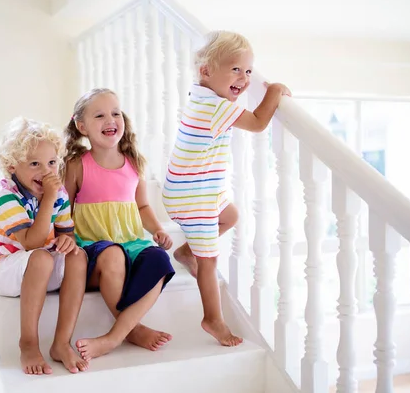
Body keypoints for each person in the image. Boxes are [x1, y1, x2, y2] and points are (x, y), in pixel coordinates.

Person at [163, 30, 291, 347]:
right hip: (194, 195)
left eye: (248, 71)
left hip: (193, 187)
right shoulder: (217, 108)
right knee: (210, 262)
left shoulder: (202, 96)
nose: (244, 79)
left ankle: (186, 251)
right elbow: (260, 122)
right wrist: (274, 90)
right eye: (235, 69)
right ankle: (213, 319)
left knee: (231, 215)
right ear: (206, 71)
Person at [64, 88, 176, 361]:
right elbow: (63, 209)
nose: (110, 119)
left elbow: (143, 206)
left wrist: (157, 229)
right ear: (82, 127)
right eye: (99, 115)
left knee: (160, 260)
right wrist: (62, 238)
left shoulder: (134, 164)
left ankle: (116, 335)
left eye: (115, 113)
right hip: (94, 249)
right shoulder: (78, 165)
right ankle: (131, 331)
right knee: (113, 254)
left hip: (130, 244)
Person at [0, 117, 88, 375]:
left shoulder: (57, 192)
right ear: (11, 166)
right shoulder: (6, 194)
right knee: (41, 257)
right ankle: (28, 342)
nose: (46, 171)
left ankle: (62, 342)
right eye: (34, 164)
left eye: (51, 163)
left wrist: (66, 241)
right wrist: (50, 197)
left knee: (78, 256)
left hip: (41, 268)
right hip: (4, 269)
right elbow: (32, 242)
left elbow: (67, 233)